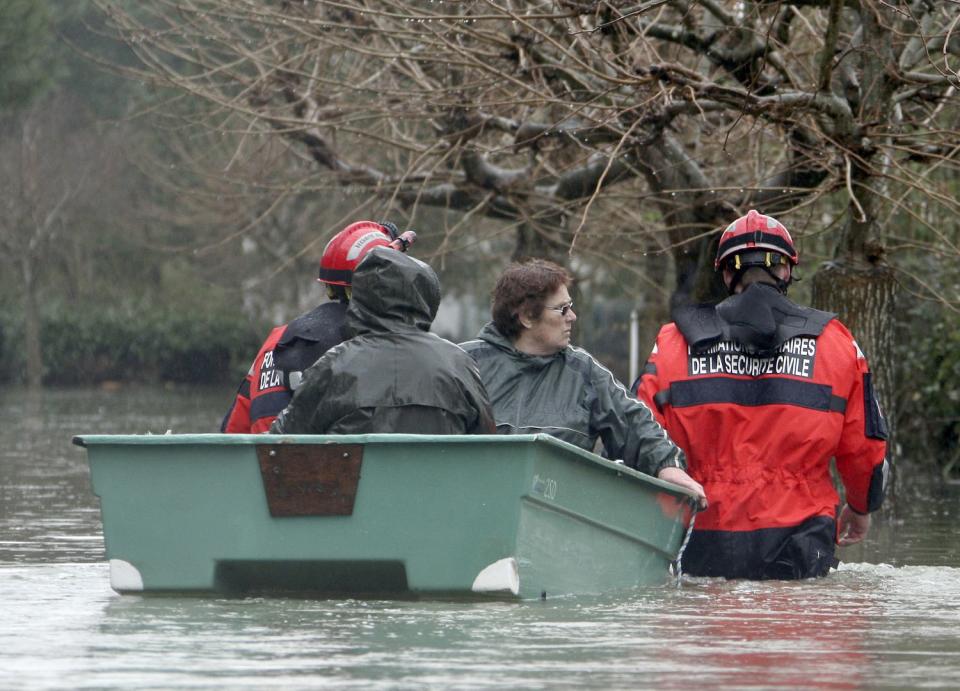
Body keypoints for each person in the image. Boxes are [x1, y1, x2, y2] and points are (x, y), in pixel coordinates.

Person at [635, 209, 889, 579]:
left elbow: (637, 436)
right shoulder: (837, 342)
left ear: (725, 273)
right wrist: (863, 506)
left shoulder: (672, 342)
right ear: (786, 270)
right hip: (801, 541)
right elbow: (866, 446)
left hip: (701, 536)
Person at [459, 258, 706, 503]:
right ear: (526, 317)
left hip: (558, 522)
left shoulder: (583, 371)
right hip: (476, 514)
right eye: (562, 309)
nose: (573, 317)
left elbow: (633, 421)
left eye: (571, 306)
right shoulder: (464, 364)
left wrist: (667, 466)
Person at [270, 247, 495, 435]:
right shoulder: (457, 364)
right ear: (427, 298)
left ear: (360, 300)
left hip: (353, 489)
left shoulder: (334, 365)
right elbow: (487, 444)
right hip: (441, 487)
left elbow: (283, 440)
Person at [221, 220, 412, 433]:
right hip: (337, 464)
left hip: (264, 462)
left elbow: (232, 433)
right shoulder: (373, 346)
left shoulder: (278, 339)